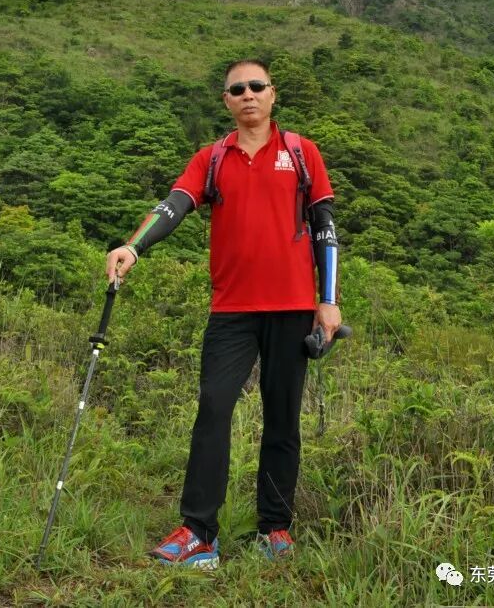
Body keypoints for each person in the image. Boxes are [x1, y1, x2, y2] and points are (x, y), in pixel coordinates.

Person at [106, 59, 341, 567]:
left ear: (272, 94)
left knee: (282, 418)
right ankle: (198, 533)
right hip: (231, 309)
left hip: (293, 307)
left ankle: (274, 529)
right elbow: (174, 205)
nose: (248, 94)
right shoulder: (212, 158)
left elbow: (325, 227)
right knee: (213, 409)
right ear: (227, 101)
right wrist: (133, 247)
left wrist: (328, 300)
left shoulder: (301, 153)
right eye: (238, 89)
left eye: (257, 86)